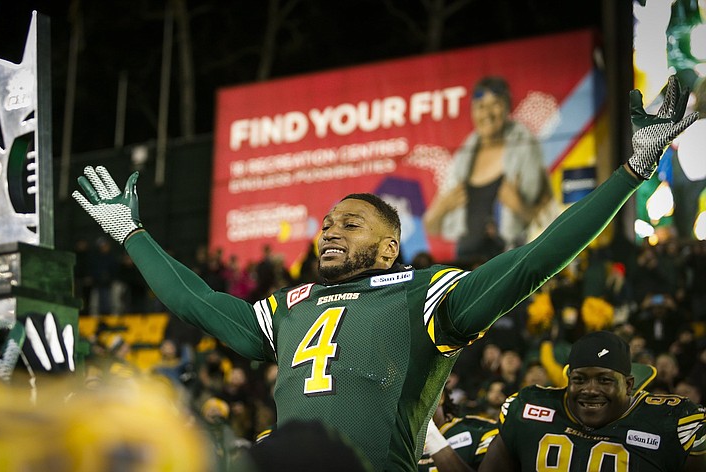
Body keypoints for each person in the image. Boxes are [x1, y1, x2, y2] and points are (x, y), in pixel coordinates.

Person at [73, 76, 698, 471]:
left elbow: (532, 260)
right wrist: (133, 234)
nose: (329, 231)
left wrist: (631, 172)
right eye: (326, 223)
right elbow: (197, 303)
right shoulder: (290, 305)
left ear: (390, 245)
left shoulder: (425, 294)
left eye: (350, 223)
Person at [479, 330, 706, 471]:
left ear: (628, 385)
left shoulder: (672, 423)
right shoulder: (527, 408)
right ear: (568, 379)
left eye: (604, 380)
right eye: (579, 379)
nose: (590, 390)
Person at [422, 76, 552, 263]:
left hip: (508, 264)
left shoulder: (527, 154)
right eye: (481, 107)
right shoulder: (462, 160)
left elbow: (547, 222)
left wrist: (519, 207)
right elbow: (431, 226)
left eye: (495, 104)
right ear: (473, 112)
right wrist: (442, 208)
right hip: (465, 268)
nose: (487, 114)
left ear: (508, 107)